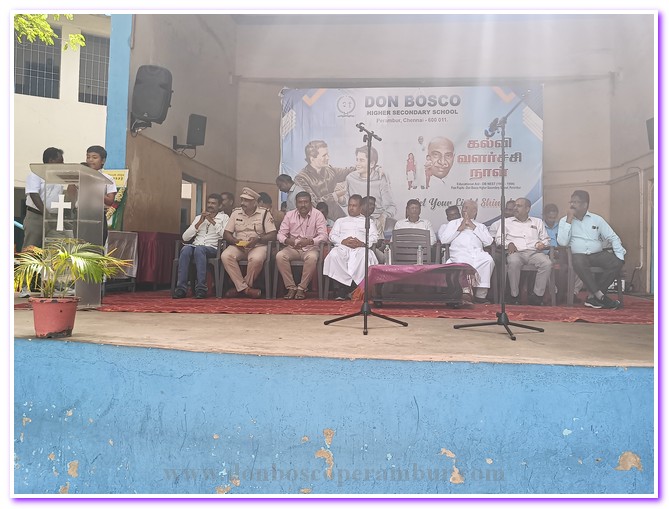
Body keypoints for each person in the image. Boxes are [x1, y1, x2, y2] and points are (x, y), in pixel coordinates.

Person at [557, 190, 625, 310]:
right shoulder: (564, 221)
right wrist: (569, 220)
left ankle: (593, 297)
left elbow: (613, 237)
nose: (572, 205)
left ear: (585, 204)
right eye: (571, 202)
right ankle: (600, 296)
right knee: (578, 261)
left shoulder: (597, 219)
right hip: (578, 255)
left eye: (576, 202)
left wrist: (620, 257)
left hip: (596, 254)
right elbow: (562, 243)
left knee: (616, 262)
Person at [19, 147, 65, 297]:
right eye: (60, 161)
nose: (62, 164)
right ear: (51, 160)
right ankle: (25, 286)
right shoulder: (35, 174)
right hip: (36, 216)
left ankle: (54, 285)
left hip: (54, 218)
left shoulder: (58, 177)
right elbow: (33, 194)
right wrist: (45, 212)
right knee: (31, 251)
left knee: (55, 251)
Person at [221, 187, 277, 298]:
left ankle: (240, 288)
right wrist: (233, 240)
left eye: (246, 200)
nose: (243, 203)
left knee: (256, 259)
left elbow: (273, 234)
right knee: (225, 255)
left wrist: (259, 239)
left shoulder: (264, 213)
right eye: (242, 200)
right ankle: (246, 289)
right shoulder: (236, 213)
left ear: (254, 202)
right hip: (239, 245)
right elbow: (226, 233)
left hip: (258, 245)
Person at [495, 197, 552, 305]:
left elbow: (546, 239)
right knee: (513, 262)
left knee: (547, 263)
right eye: (515, 206)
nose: (515, 208)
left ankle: (537, 296)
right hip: (516, 252)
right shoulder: (506, 222)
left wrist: (542, 244)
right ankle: (514, 295)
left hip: (534, 252)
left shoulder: (537, 222)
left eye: (519, 206)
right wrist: (508, 244)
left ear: (527, 209)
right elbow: (498, 239)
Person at [323, 195, 379, 300]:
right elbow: (332, 236)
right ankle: (341, 289)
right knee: (334, 255)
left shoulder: (368, 221)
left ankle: (356, 289)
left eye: (354, 206)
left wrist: (362, 243)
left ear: (361, 207)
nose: (351, 208)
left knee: (366, 257)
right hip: (343, 247)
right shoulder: (340, 221)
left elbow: (374, 237)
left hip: (360, 248)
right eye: (350, 205)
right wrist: (342, 241)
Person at [438, 200, 494, 303]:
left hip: (477, 253)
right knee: (464, 262)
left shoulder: (480, 226)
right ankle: (465, 292)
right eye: (463, 207)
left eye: (467, 208)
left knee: (488, 260)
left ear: (474, 211)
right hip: (459, 253)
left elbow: (488, 242)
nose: (464, 210)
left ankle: (480, 296)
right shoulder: (453, 223)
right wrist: (460, 228)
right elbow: (444, 240)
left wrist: (473, 226)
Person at [173, 193, 228, 299]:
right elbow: (185, 237)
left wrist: (212, 222)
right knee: (185, 249)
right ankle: (181, 289)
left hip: (213, 248)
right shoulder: (199, 218)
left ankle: (201, 288)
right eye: (209, 203)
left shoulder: (224, 218)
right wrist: (199, 223)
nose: (210, 205)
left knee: (199, 250)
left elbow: (224, 235)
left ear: (220, 206)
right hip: (196, 246)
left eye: (213, 203)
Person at [276, 191, 328, 300]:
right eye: (300, 202)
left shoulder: (318, 215)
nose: (303, 205)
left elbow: (324, 236)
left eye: (306, 202)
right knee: (280, 256)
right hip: (293, 248)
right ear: (296, 203)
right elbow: (280, 234)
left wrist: (310, 241)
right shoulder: (289, 215)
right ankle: (291, 287)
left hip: (311, 248)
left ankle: (301, 288)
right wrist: (287, 240)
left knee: (312, 257)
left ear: (310, 203)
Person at [294, 140, 354, 222]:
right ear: (312, 159)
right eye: (324, 155)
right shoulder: (301, 178)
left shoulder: (329, 170)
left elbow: (347, 172)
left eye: (327, 154)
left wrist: (364, 166)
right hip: (317, 221)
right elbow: (313, 202)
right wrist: (335, 195)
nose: (328, 158)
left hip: (338, 218)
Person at [342, 146, 397, 236]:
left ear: (372, 164)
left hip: (375, 220)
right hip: (355, 221)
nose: (357, 164)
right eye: (357, 160)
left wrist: (383, 217)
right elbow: (346, 202)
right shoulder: (350, 178)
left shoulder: (380, 179)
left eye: (361, 160)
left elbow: (392, 207)